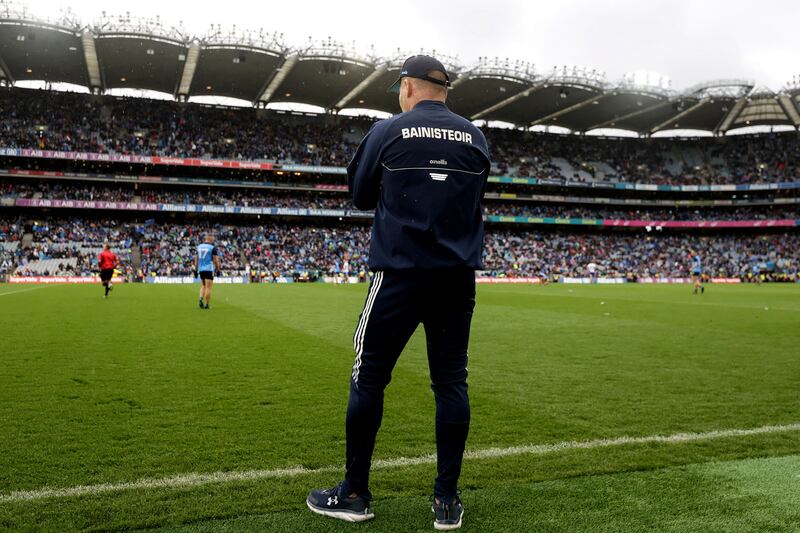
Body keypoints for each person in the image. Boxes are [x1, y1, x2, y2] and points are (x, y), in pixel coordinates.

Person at [306, 55, 490, 531]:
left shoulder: (389, 132)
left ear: (408, 88)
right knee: (450, 383)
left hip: (400, 273)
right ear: (444, 90)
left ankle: (355, 494)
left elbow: (361, 196)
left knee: (369, 378)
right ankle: (446, 501)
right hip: (455, 277)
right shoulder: (476, 137)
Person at [193, 235, 220, 309]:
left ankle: (201, 299)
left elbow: (196, 259)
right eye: (213, 239)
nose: (213, 241)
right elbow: (215, 260)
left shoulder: (199, 247)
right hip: (209, 269)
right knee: (208, 287)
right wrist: (218, 269)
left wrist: (195, 270)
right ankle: (207, 304)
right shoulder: (212, 248)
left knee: (203, 285)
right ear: (210, 239)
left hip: (201, 269)